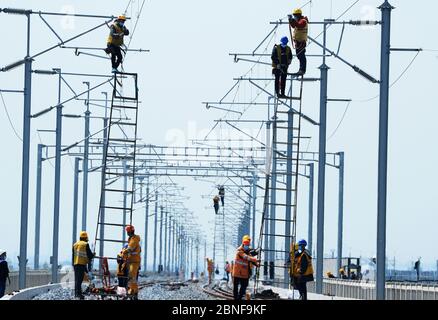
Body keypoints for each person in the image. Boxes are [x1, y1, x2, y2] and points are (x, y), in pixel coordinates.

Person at [232, 235, 260, 300]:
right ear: (243, 243)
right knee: (235, 287)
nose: (247, 245)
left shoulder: (248, 252)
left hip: (244, 274)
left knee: (244, 286)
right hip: (237, 273)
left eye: (248, 243)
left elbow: (251, 260)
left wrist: (257, 264)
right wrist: (255, 260)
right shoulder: (239, 251)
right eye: (245, 243)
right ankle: (236, 298)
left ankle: (239, 298)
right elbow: (247, 257)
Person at [72, 231, 94, 299]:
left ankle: (76, 293)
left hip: (76, 264)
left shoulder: (75, 244)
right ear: (85, 238)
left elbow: (73, 256)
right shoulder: (85, 244)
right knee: (80, 280)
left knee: (77, 279)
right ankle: (79, 294)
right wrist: (93, 255)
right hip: (82, 264)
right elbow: (90, 255)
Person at [288, 9, 309, 75]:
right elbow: (294, 26)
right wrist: (291, 21)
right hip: (298, 42)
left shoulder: (303, 21)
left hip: (301, 42)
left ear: (299, 15)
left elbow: (299, 25)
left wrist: (293, 20)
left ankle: (302, 70)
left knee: (301, 56)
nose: (295, 17)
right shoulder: (298, 21)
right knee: (299, 55)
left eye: (295, 16)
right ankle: (301, 69)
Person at [125, 225, 141, 299]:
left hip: (134, 262)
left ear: (130, 231)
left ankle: (134, 291)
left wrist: (124, 251)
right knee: (129, 277)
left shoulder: (134, 239)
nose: (127, 233)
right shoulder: (131, 238)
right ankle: (131, 290)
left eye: (127, 231)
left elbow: (130, 249)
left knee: (132, 276)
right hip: (130, 261)